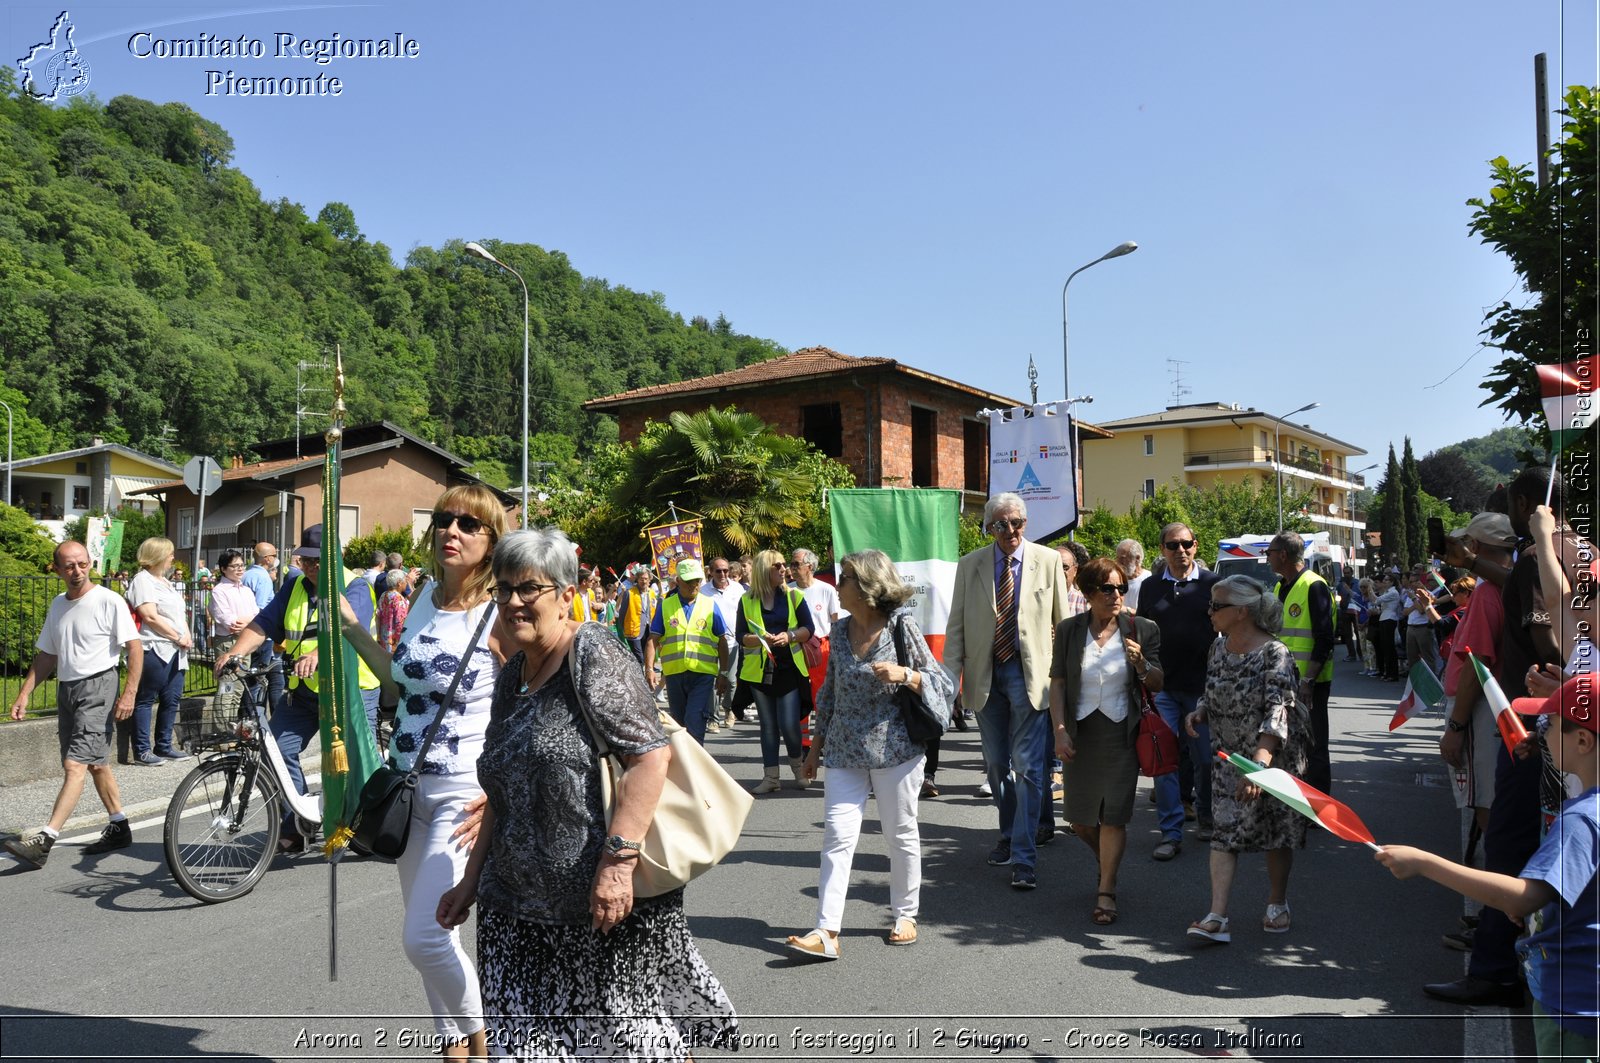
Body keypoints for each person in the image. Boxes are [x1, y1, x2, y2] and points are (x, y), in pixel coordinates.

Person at [436, 527, 739, 1059]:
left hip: (597, 912)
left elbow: (650, 758)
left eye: (528, 589)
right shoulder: (513, 677)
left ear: (566, 593)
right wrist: (470, 881)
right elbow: (501, 794)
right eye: (503, 589)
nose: (512, 602)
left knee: (627, 1047)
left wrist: (618, 865)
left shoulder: (592, 652)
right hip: (513, 918)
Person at [340, 487, 506, 1062]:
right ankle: (454, 1053)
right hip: (408, 788)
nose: (452, 530)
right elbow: (399, 684)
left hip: (465, 794)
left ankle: (486, 1043)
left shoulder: (502, 610)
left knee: (424, 936)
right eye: (445, 520)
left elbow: (529, 702)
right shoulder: (425, 599)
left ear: (490, 542)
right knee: (440, 933)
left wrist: (498, 788)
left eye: (469, 523)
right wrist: (351, 629)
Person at [1377, 673, 1597, 1060]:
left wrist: (1425, 863)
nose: (1541, 734)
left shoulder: (1581, 819)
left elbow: (1524, 897)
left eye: (1552, 726)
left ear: (1583, 740)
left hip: (1573, 1003)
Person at [785, 549, 953, 957]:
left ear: (865, 587)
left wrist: (906, 675)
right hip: (844, 750)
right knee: (837, 838)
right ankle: (826, 931)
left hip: (896, 749)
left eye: (843, 579)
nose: (836, 585)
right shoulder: (840, 631)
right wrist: (814, 750)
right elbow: (828, 695)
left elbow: (940, 681)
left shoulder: (900, 625)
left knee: (899, 834)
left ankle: (905, 915)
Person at [213, 524, 383, 850]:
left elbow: (348, 629)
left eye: (319, 560)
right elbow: (263, 623)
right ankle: (297, 822)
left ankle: (371, 820)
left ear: (336, 558)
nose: (312, 566)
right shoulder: (294, 586)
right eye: (306, 560)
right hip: (304, 692)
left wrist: (318, 654)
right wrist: (235, 652)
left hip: (351, 692)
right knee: (274, 750)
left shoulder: (355, 587)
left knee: (357, 762)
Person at [943, 492, 1068, 890]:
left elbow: (1062, 625)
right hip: (985, 675)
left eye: (1016, 523)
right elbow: (957, 626)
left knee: (1029, 768)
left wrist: (1066, 680)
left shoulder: (1047, 561)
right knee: (997, 767)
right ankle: (1007, 833)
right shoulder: (970, 565)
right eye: (1001, 524)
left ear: (1025, 523)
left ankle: (1024, 856)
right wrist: (949, 683)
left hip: (1031, 677)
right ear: (989, 527)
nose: (1010, 531)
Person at [1182, 575, 1310, 945]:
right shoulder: (1218, 647)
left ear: (1241, 612)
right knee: (1223, 832)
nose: (1210, 612)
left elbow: (1278, 712)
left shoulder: (1275, 653)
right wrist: (1201, 712)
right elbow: (1213, 687)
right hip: (1227, 758)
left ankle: (1277, 902)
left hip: (1271, 760)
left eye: (1216, 606)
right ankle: (1217, 916)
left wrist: (1258, 768)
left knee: (1275, 832)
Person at [4, 542, 144, 868]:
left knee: (74, 765)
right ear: (57, 569)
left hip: (98, 686)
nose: (77, 571)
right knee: (95, 762)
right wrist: (24, 693)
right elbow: (47, 654)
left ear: (90, 563)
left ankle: (44, 840)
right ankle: (120, 825)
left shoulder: (108, 600)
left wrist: (129, 693)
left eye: (82, 564)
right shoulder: (58, 605)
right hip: (68, 689)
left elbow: (134, 649)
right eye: (69, 566)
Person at [1049, 556, 1163, 925]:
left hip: (1121, 734)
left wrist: (1142, 664)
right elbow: (1059, 683)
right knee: (1080, 820)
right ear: (1088, 592)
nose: (1116, 595)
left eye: (1121, 587)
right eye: (1107, 588)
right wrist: (1060, 730)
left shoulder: (1141, 628)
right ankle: (1107, 863)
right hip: (1081, 733)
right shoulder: (1069, 630)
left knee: (1113, 817)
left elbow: (1159, 682)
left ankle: (1107, 889)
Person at [1135, 521, 1222, 856]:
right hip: (1162, 688)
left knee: (1204, 760)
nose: (1180, 550)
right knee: (1165, 759)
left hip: (1201, 688)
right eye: (1172, 545)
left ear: (1196, 546)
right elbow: (1141, 632)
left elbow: (1225, 632)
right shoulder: (1151, 587)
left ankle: (1207, 818)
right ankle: (1170, 832)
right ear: (1162, 550)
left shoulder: (1213, 584)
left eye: (1186, 544)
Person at [738, 550, 815, 793]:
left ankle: (798, 768)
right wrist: (760, 639)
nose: (784, 569)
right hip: (759, 671)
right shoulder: (746, 600)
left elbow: (808, 629)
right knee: (768, 725)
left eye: (784, 565)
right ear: (764, 570)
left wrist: (789, 635)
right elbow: (741, 635)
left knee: (790, 723)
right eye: (777, 566)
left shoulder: (794, 596)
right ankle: (771, 778)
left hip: (789, 668)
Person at [1266, 531, 1336, 794]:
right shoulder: (1279, 586)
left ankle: (1319, 809)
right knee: (1288, 742)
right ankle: (1295, 800)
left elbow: (1324, 638)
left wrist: (1309, 680)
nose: (1268, 558)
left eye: (1269, 553)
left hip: (1309, 683)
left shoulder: (1313, 585)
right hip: (1283, 679)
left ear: (1283, 555)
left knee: (1314, 744)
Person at [643, 559, 731, 743]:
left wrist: (723, 673)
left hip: (703, 675)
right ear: (678, 580)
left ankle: (695, 767)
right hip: (674, 675)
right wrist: (649, 669)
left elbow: (722, 641)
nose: (694, 585)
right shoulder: (666, 605)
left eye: (697, 581)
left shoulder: (710, 605)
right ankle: (684, 767)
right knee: (679, 726)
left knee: (695, 720)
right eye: (689, 581)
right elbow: (653, 639)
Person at [123, 536, 193, 765]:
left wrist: (186, 635)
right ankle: (142, 750)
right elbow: (149, 615)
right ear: (158, 555)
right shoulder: (143, 581)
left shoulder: (165, 581)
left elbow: (177, 615)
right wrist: (177, 636)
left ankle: (163, 745)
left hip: (175, 649)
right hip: (154, 647)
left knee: (171, 699)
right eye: (170, 553)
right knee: (146, 698)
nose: (173, 557)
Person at [792, 547, 842, 709]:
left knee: (821, 693)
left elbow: (836, 622)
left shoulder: (826, 589)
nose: (791, 568)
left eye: (796, 564)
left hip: (821, 648)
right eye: (791, 564)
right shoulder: (787, 590)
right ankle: (800, 733)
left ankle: (821, 732)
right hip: (794, 647)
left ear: (810, 567)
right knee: (798, 692)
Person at [242, 540, 286, 715]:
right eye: (274, 556)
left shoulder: (246, 575)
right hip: (262, 636)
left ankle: (251, 716)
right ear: (267, 559)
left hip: (247, 633)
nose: (276, 559)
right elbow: (262, 610)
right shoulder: (263, 578)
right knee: (256, 680)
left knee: (257, 677)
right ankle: (251, 718)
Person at [705, 557, 746, 729]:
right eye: (718, 571)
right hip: (710, 643)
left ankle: (729, 709)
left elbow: (745, 612)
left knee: (731, 680)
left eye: (725, 570)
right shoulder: (703, 591)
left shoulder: (738, 589)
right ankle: (713, 718)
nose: (723, 574)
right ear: (711, 572)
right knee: (711, 680)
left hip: (733, 643)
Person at [1402, 564, 1443, 676]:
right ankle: (1415, 681)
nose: (1411, 584)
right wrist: (1415, 603)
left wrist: (1415, 600)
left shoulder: (1427, 594)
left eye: (1413, 582)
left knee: (1427, 656)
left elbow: (1421, 610)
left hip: (1423, 627)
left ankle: (1431, 680)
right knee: (1412, 657)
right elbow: (1405, 612)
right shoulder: (1411, 594)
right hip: (1411, 627)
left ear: (1420, 582)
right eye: (1410, 582)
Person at [1374, 574, 1403, 681]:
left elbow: (1376, 600)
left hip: (1389, 619)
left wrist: (1369, 589)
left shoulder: (1393, 592)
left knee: (1389, 647)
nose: (1384, 581)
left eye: (1387, 580)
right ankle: (1388, 672)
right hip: (1384, 618)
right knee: (1385, 647)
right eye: (1384, 579)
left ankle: (1393, 674)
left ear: (1392, 582)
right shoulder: (1388, 592)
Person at [376, 569, 411, 652]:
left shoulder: (384, 595)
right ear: (399, 583)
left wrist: (378, 635)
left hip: (384, 637)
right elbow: (400, 622)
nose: (406, 583)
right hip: (394, 641)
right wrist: (397, 643)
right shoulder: (399, 599)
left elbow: (378, 615)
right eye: (405, 580)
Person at [1116, 538, 1151, 608]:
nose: (1118, 562)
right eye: (1117, 558)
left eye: (1123, 558)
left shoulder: (1149, 579)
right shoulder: (1116, 580)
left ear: (1137, 559)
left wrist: (1125, 610)